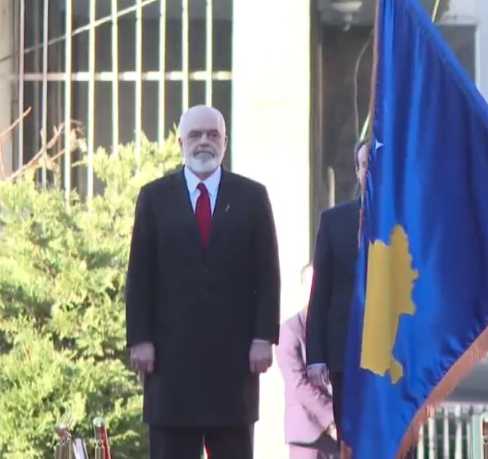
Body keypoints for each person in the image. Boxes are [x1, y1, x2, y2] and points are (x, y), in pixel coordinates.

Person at [125, 105, 281, 459]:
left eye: (213, 134)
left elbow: (267, 273)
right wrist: (140, 339)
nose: (204, 142)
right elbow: (140, 274)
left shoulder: (252, 197)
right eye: (195, 135)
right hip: (170, 363)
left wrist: (263, 337)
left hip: (234, 363)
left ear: (225, 141)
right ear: (181, 143)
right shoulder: (154, 198)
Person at [305, 141, 368, 438]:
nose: (371, 171)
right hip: (346, 354)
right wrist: (316, 355)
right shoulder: (334, 221)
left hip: (397, 359)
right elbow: (320, 292)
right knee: (352, 442)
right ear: (357, 171)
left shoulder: (410, 220)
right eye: (365, 165)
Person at [278, 264, 339, 459]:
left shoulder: (339, 328)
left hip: (342, 437)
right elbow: (298, 384)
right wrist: (332, 417)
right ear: (304, 289)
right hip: (308, 433)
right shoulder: (289, 331)